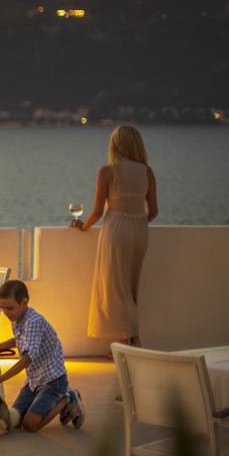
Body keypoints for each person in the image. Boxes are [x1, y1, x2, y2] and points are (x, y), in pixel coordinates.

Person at [71, 124, 158, 348]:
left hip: (116, 229)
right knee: (130, 285)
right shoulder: (147, 171)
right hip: (140, 230)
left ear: (115, 145)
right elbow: (154, 211)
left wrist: (83, 227)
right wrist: (137, 223)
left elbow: (98, 211)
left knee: (115, 288)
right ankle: (131, 338)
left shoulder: (108, 171)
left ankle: (129, 340)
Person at [0, 280, 84, 432]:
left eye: (9, 308)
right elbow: (20, 339)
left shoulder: (34, 322)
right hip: (34, 380)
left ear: (24, 302)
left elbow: (27, 359)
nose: (5, 313)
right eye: (2, 308)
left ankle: (67, 398)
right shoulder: (17, 318)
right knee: (14, 421)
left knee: (30, 425)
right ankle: (49, 401)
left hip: (53, 381)